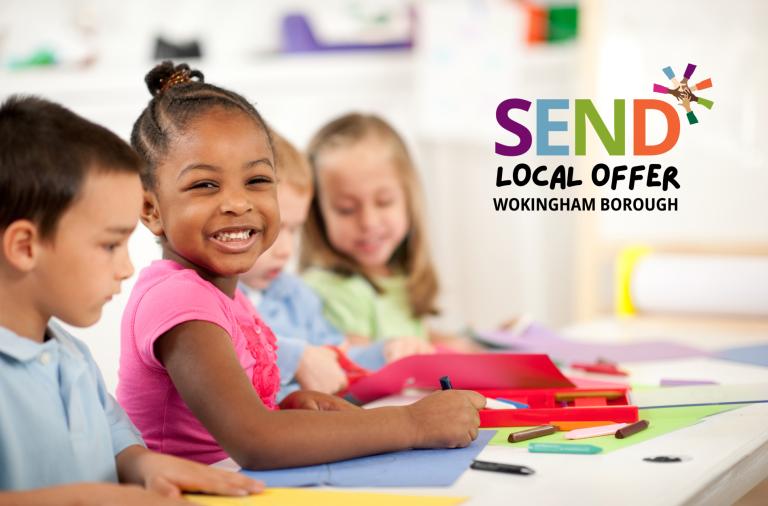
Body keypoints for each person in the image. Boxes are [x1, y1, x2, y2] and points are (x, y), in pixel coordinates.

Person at [117, 61, 485, 470]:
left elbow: (247, 423)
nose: (238, 203)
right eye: (205, 185)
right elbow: (255, 441)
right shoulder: (178, 299)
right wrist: (412, 423)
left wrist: (288, 408)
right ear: (150, 209)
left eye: (257, 180)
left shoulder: (225, 294)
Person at [0, 95, 262, 504]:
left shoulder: (73, 357)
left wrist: (146, 465)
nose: (125, 268)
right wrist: (85, 499)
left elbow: (118, 441)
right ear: (25, 246)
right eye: (110, 245)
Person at [301, 113, 482, 359]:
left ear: (409, 200)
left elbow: (412, 335)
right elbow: (353, 369)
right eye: (347, 209)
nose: (368, 222)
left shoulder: (394, 275)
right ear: (318, 214)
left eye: (384, 202)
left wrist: (471, 341)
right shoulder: (334, 289)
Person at [239, 131, 388, 401]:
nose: (286, 250)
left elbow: (336, 358)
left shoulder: (297, 296)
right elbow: (231, 355)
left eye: (293, 230)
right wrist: (293, 358)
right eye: (269, 230)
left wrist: (386, 354)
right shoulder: (214, 300)